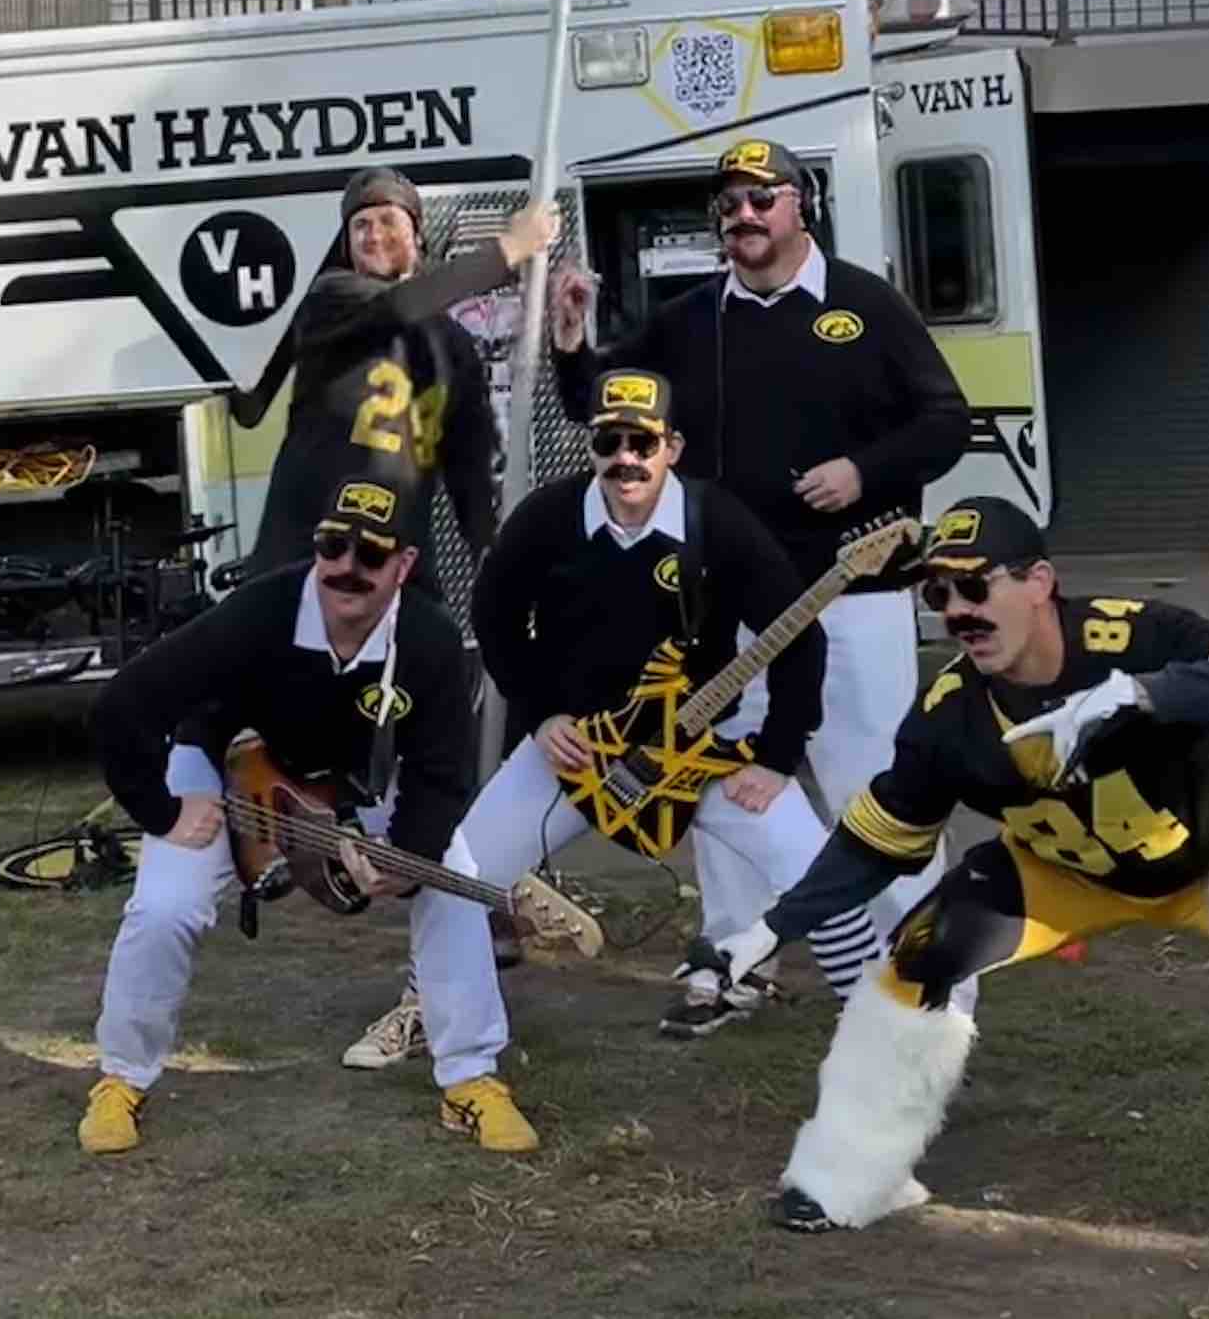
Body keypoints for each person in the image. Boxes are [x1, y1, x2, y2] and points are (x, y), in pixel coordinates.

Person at [707, 497, 1209, 1262]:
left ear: (1040, 582)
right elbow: (877, 842)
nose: (956, 611)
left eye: (975, 586)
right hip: (1062, 868)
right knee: (915, 959)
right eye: (936, 594)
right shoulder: (949, 712)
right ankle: (845, 1172)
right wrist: (765, 932)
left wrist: (1144, 693)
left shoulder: (1133, 635)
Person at [343, 369, 883, 1068]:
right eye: (610, 441)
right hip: (578, 756)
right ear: (592, 446)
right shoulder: (550, 515)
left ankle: (882, 1030)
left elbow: (800, 635)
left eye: (643, 441)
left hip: (695, 758)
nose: (626, 457)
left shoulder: (714, 522)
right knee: (458, 874)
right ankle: (430, 1010)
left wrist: (777, 757)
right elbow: (495, 617)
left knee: (820, 875)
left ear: (673, 448)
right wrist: (540, 716)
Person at [550, 135, 971, 999]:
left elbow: (946, 422)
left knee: (874, 781)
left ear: (799, 204)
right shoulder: (695, 318)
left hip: (854, 594)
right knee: (714, 775)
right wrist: (567, 344)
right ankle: (737, 955)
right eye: (729, 203)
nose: (742, 215)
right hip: (732, 609)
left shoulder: (867, 304)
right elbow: (606, 404)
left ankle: (914, 963)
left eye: (761, 198)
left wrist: (864, 470)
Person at [76, 471, 539, 1158]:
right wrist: (164, 810)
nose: (346, 569)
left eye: (371, 555)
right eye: (333, 547)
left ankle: (471, 1078)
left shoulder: (433, 642)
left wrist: (400, 862)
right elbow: (124, 705)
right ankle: (120, 1080)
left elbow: (443, 778)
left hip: (353, 784)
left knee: (451, 878)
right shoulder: (260, 610)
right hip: (225, 768)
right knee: (163, 909)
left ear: (405, 565)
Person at [248, 167, 556, 599]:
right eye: (360, 225)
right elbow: (400, 306)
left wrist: (489, 553)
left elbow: (468, 467)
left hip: (399, 564)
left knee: (433, 654)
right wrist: (511, 248)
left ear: (417, 235)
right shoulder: (331, 298)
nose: (373, 235)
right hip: (308, 559)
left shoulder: (455, 345)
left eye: (388, 221)